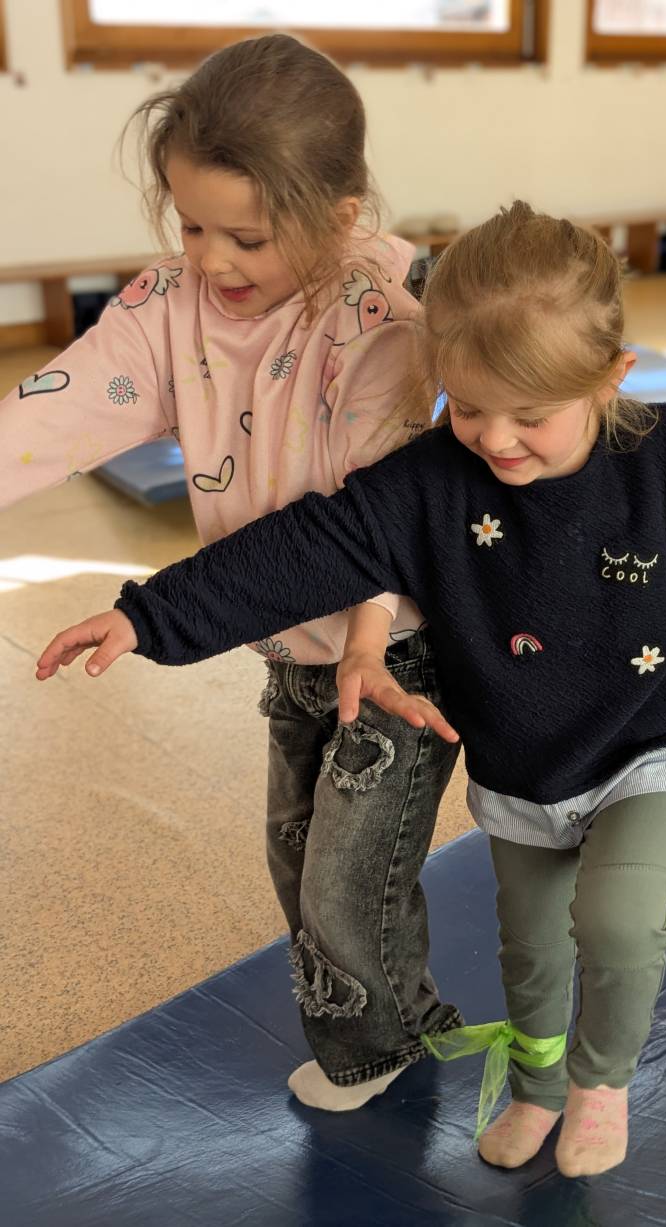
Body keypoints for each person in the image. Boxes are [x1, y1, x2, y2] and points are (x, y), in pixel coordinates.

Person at [35, 202, 666, 1178]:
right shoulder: (428, 484)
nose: (495, 439)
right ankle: (538, 1087)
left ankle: (598, 1085)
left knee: (618, 926)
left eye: (529, 416)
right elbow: (300, 552)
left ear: (612, 376)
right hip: (518, 765)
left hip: (644, 749)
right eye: (467, 405)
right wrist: (149, 616)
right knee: (531, 952)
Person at [5, 33, 465, 1112]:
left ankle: (376, 1047)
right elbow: (63, 403)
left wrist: (163, 615)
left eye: (245, 237)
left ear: (341, 213)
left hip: (389, 651)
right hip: (286, 651)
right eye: (189, 223)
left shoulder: (377, 321)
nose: (210, 260)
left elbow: (370, 527)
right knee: (296, 857)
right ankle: (406, 1008)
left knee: (345, 880)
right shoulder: (169, 303)